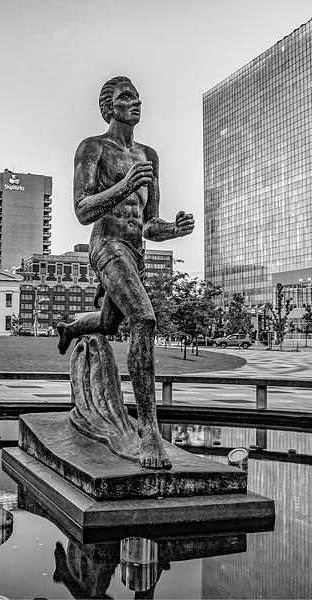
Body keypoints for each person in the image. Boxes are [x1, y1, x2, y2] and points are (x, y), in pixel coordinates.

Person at [56, 76, 195, 469]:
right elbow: (83, 211)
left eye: (137, 96)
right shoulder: (93, 148)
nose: (136, 102)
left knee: (107, 321)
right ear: (109, 108)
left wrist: (174, 229)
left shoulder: (149, 155)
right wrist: (124, 184)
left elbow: (149, 223)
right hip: (107, 245)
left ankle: (71, 328)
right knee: (143, 318)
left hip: (134, 251)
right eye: (126, 97)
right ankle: (149, 431)